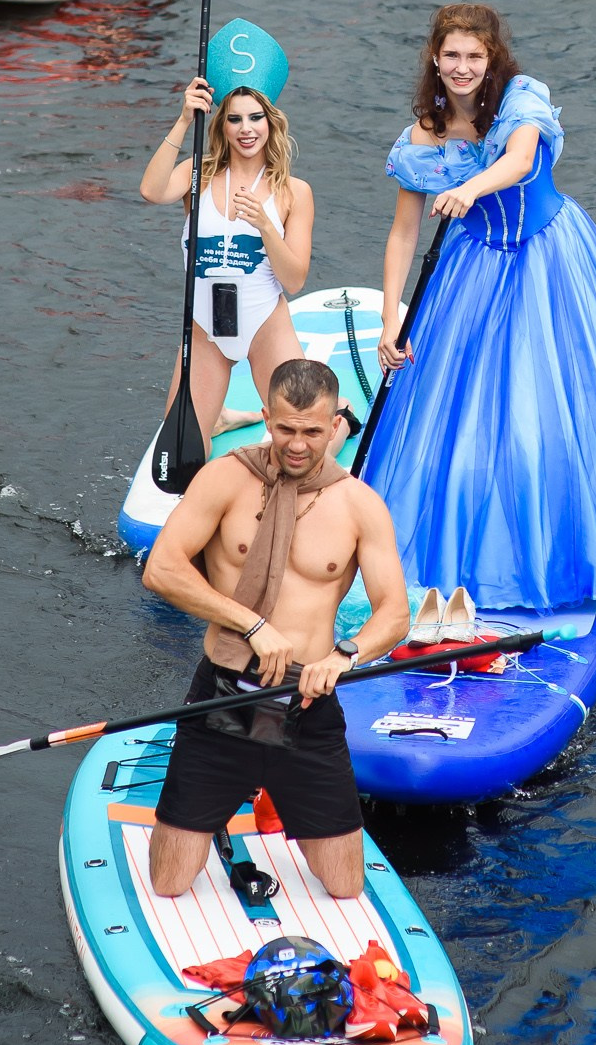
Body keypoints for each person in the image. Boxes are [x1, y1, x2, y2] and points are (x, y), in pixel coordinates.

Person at [357, 4, 596, 611]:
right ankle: (461, 563)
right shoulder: (422, 138)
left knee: (550, 410)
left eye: (474, 56)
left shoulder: (522, 99)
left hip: (552, 261)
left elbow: (519, 161)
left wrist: (467, 187)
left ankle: (562, 554)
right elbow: (403, 236)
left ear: (491, 59)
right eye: (452, 56)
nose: (462, 68)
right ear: (435, 61)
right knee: (464, 417)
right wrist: (392, 319)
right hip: (475, 271)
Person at [140, 359, 412, 901]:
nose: (296, 443)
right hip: (224, 695)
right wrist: (252, 623)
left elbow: (394, 614)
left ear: (336, 424)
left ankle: (264, 800)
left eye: (312, 431)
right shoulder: (225, 477)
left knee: (343, 886)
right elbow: (162, 569)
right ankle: (210, 813)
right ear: (266, 415)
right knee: (169, 883)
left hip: (307, 704)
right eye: (284, 428)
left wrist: (343, 656)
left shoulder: (360, 506)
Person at [138, 71, 314, 441]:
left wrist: (266, 226)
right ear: (222, 125)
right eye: (234, 118)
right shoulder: (198, 173)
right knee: (179, 447)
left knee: (300, 429)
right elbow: (151, 191)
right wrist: (185, 119)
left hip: (265, 323)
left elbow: (295, 280)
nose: (245, 128)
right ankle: (218, 418)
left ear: (271, 122)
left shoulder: (293, 192)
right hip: (205, 328)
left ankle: (342, 413)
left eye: (255, 117)